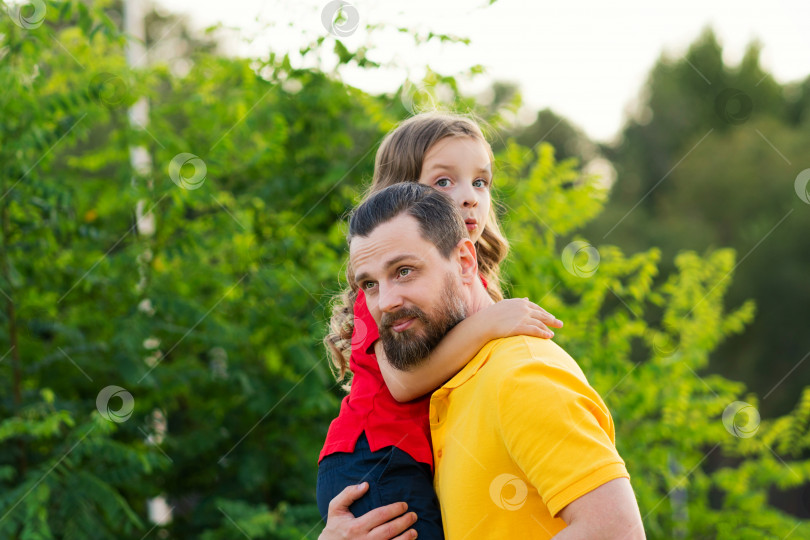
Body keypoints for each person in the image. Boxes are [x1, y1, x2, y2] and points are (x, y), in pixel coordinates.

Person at [328, 182, 645, 539]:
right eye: (369, 284)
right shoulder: (448, 386)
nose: (385, 301)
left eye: (404, 271)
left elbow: (617, 530)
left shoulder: (520, 374)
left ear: (465, 262)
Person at [317, 113, 564, 538]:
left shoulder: (467, 282)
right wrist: (489, 324)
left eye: (480, 182)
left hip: (418, 458)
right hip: (375, 458)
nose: (469, 198)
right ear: (402, 194)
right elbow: (403, 384)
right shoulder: (384, 293)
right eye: (445, 182)